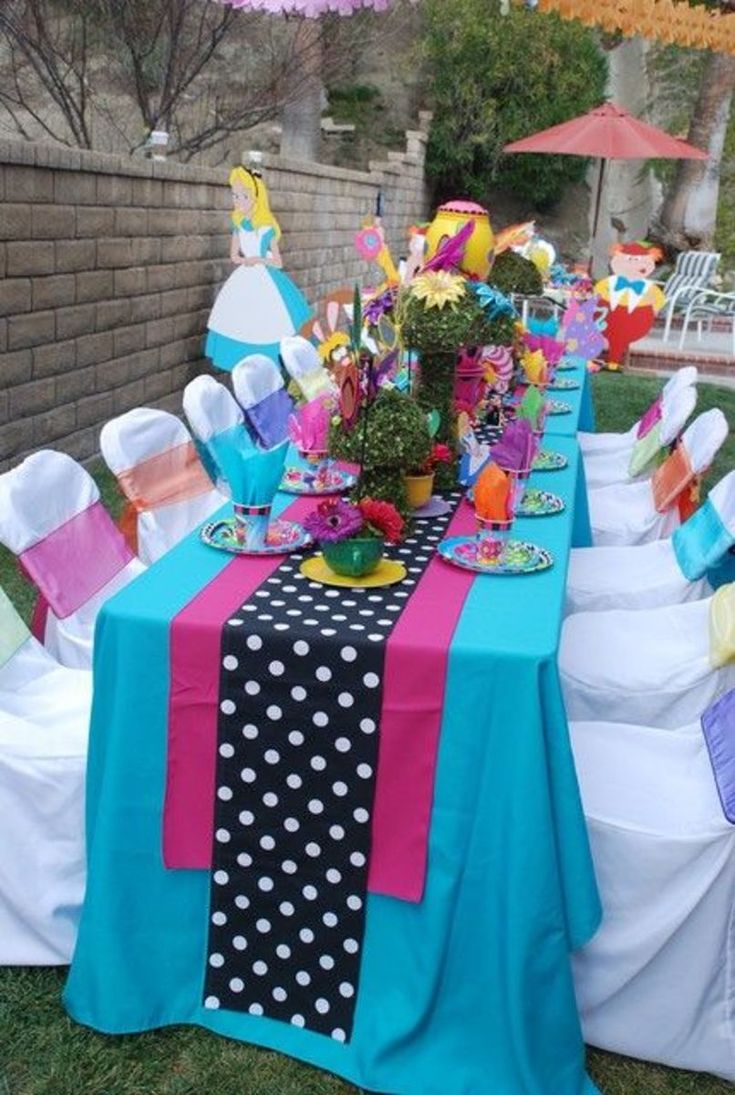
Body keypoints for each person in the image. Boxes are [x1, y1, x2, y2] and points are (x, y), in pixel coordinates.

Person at [205, 166, 312, 371]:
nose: (238, 201)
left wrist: (259, 259)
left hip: (265, 279)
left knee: (268, 322)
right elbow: (234, 255)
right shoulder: (238, 225)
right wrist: (244, 260)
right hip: (244, 278)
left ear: (255, 196)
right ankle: (242, 367)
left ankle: (267, 368)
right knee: (240, 321)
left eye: (243, 196)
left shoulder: (267, 229)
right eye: (235, 196)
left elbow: (278, 262)